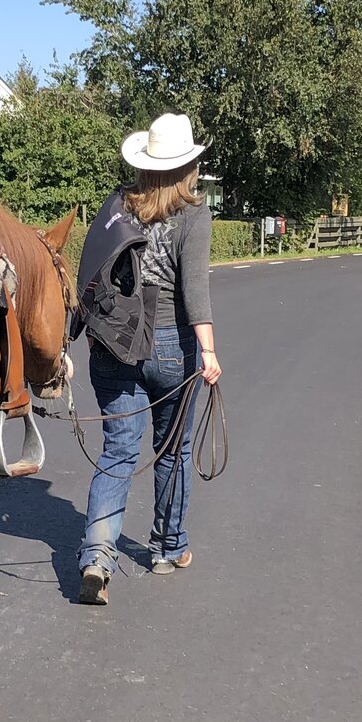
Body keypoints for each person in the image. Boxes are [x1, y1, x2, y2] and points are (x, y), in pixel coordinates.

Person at [77, 112, 222, 606]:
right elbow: (194, 290)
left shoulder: (117, 204)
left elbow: (91, 266)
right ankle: (166, 548)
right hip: (170, 344)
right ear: (188, 167)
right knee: (172, 451)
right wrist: (208, 351)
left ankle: (97, 557)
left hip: (116, 341)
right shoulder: (195, 216)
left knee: (118, 451)